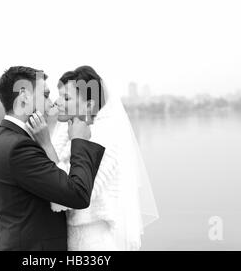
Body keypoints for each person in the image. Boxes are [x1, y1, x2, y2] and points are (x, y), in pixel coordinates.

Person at [28, 66, 159, 250]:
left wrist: (45, 144)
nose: (57, 102)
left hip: (94, 242)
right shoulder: (67, 133)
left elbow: (68, 195)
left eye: (66, 98)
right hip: (72, 238)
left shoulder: (105, 139)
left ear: (89, 105)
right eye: (59, 96)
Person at [0, 66, 105, 251]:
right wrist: (79, 140)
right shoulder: (18, 147)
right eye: (46, 95)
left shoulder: (3, 139)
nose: (51, 104)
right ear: (24, 96)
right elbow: (77, 194)